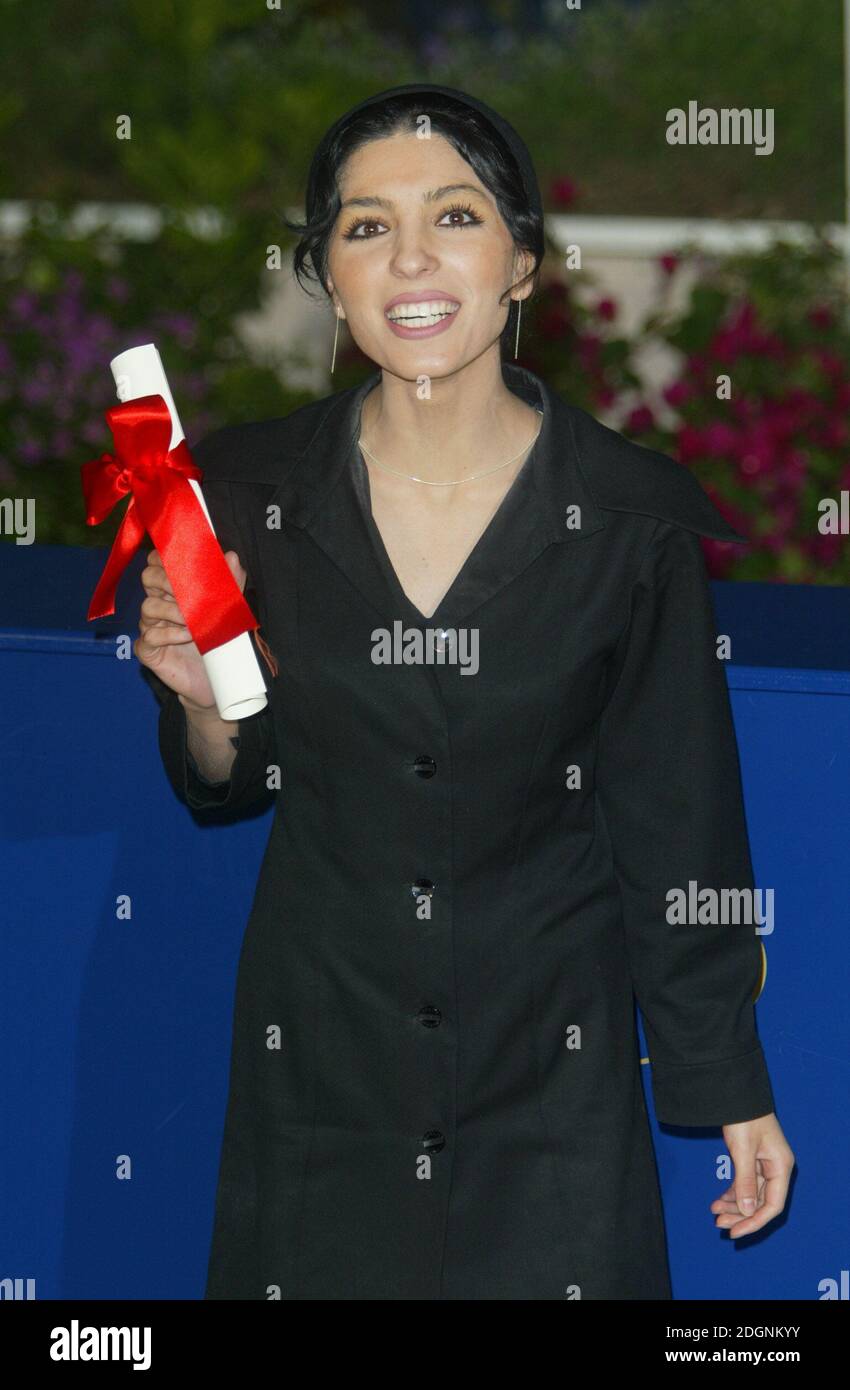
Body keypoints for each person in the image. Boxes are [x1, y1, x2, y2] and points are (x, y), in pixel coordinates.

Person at [136, 84, 794, 1301]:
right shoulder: (247, 494)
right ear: (328, 275)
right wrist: (201, 702)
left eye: (456, 214)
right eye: (366, 227)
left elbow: (677, 824)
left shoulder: (629, 521)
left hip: (550, 1075)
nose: (413, 258)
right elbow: (232, 781)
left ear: (523, 263)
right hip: (323, 1062)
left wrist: (726, 1083)